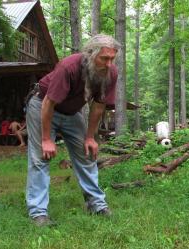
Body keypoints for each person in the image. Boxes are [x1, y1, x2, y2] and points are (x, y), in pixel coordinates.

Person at [25, 34, 121, 227]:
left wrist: (90, 137)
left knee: (87, 154)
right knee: (40, 158)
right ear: (90, 55)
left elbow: (98, 106)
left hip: (72, 112)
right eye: (104, 58)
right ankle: (38, 213)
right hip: (42, 105)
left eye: (113, 58)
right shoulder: (69, 66)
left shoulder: (110, 73)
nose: (109, 63)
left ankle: (96, 204)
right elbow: (48, 103)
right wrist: (46, 139)